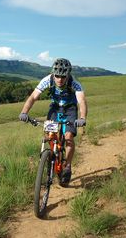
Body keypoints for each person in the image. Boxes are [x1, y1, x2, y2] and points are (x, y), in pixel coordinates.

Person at [19, 58, 88, 186]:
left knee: (68, 137)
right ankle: (50, 156)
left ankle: (67, 165)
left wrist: (82, 118)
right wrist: (24, 112)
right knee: (48, 136)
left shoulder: (75, 83)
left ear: (68, 75)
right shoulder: (47, 80)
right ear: (53, 74)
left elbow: (82, 101)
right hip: (55, 108)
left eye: (63, 76)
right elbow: (33, 97)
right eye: (57, 76)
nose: (60, 79)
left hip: (70, 109)